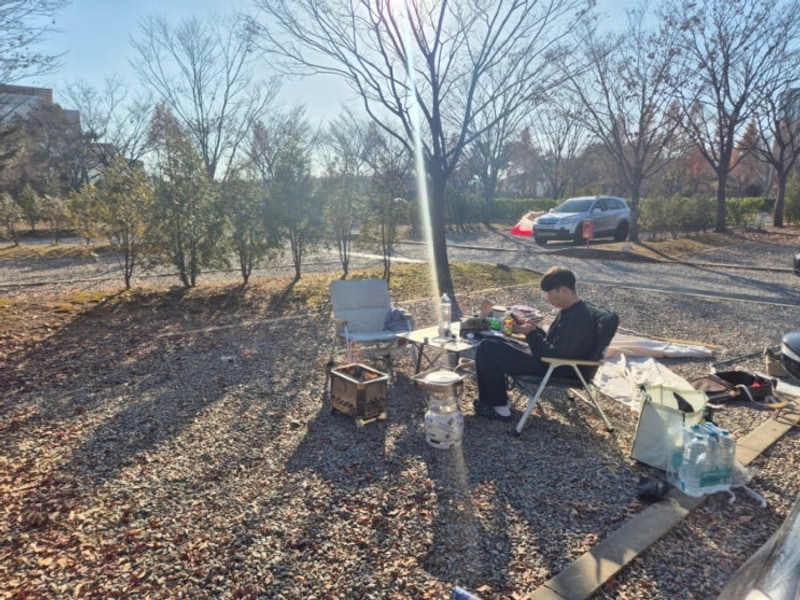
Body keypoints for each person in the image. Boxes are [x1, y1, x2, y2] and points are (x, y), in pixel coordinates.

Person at [473, 266, 597, 421]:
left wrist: (530, 333)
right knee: (495, 341)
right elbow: (554, 343)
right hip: (550, 360)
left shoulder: (578, 318)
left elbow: (554, 353)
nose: (548, 298)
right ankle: (494, 401)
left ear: (564, 290)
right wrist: (533, 329)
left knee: (487, 348)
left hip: (556, 367)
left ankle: (499, 408)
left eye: (550, 293)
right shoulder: (572, 310)